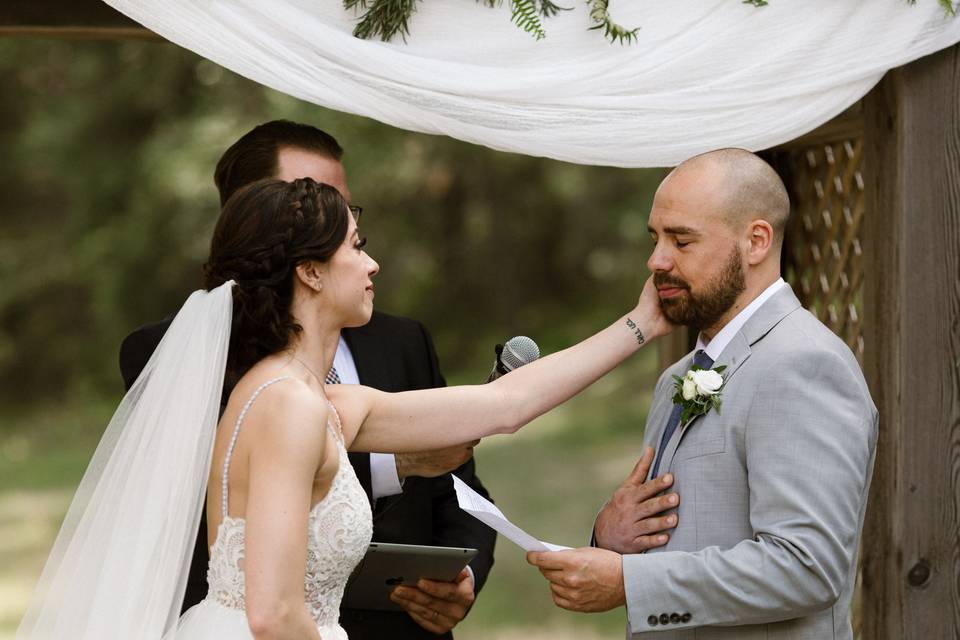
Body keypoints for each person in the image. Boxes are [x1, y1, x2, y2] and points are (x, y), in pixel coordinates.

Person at [16, 176, 672, 639]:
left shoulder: (321, 401)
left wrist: (642, 322)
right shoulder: (287, 408)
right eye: (356, 246)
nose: (372, 264)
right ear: (309, 271)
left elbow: (505, 404)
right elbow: (272, 614)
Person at [118, 121, 497, 638]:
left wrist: (465, 576)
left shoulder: (403, 340)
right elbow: (217, 501)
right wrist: (393, 466)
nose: (330, 217)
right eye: (307, 202)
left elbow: (464, 478)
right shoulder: (175, 352)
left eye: (342, 206)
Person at [527, 148, 878, 639]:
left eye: (681, 240)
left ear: (756, 241)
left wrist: (631, 581)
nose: (655, 260)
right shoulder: (678, 376)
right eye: (655, 238)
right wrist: (612, 537)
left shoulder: (802, 364)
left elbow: (808, 567)